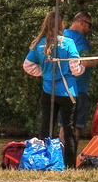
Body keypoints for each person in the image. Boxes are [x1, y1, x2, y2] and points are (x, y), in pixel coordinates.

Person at [24, 9, 80, 165]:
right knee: (69, 130)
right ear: (61, 24)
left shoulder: (38, 44)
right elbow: (76, 69)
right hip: (67, 92)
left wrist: (44, 72)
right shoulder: (68, 43)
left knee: (46, 128)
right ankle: (69, 165)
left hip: (48, 91)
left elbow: (27, 66)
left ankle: (43, 162)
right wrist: (81, 68)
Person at [63, 11, 98, 137]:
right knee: (76, 127)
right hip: (78, 89)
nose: (90, 29)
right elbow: (86, 60)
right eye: (89, 26)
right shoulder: (79, 38)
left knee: (64, 126)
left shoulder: (61, 36)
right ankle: (71, 156)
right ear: (82, 23)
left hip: (61, 88)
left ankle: (63, 156)